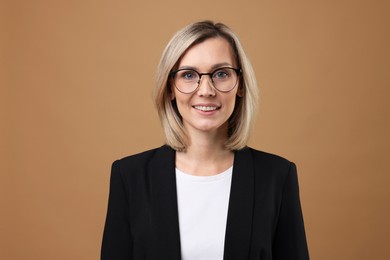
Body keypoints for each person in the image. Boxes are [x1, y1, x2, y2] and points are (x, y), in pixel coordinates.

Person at [101, 20, 309, 260]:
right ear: (170, 88)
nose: (206, 90)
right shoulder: (129, 176)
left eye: (221, 74)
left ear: (240, 84)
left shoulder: (276, 176)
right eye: (189, 75)